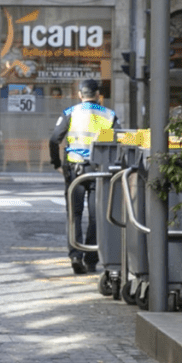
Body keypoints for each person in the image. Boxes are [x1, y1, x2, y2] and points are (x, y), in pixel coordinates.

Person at [49, 78, 118, 275]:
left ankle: (75, 255)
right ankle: (91, 259)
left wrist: (56, 164)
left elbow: (54, 139)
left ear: (80, 95)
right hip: (99, 171)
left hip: (74, 171)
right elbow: (118, 139)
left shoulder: (70, 113)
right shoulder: (109, 115)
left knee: (75, 215)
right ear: (98, 95)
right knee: (97, 217)